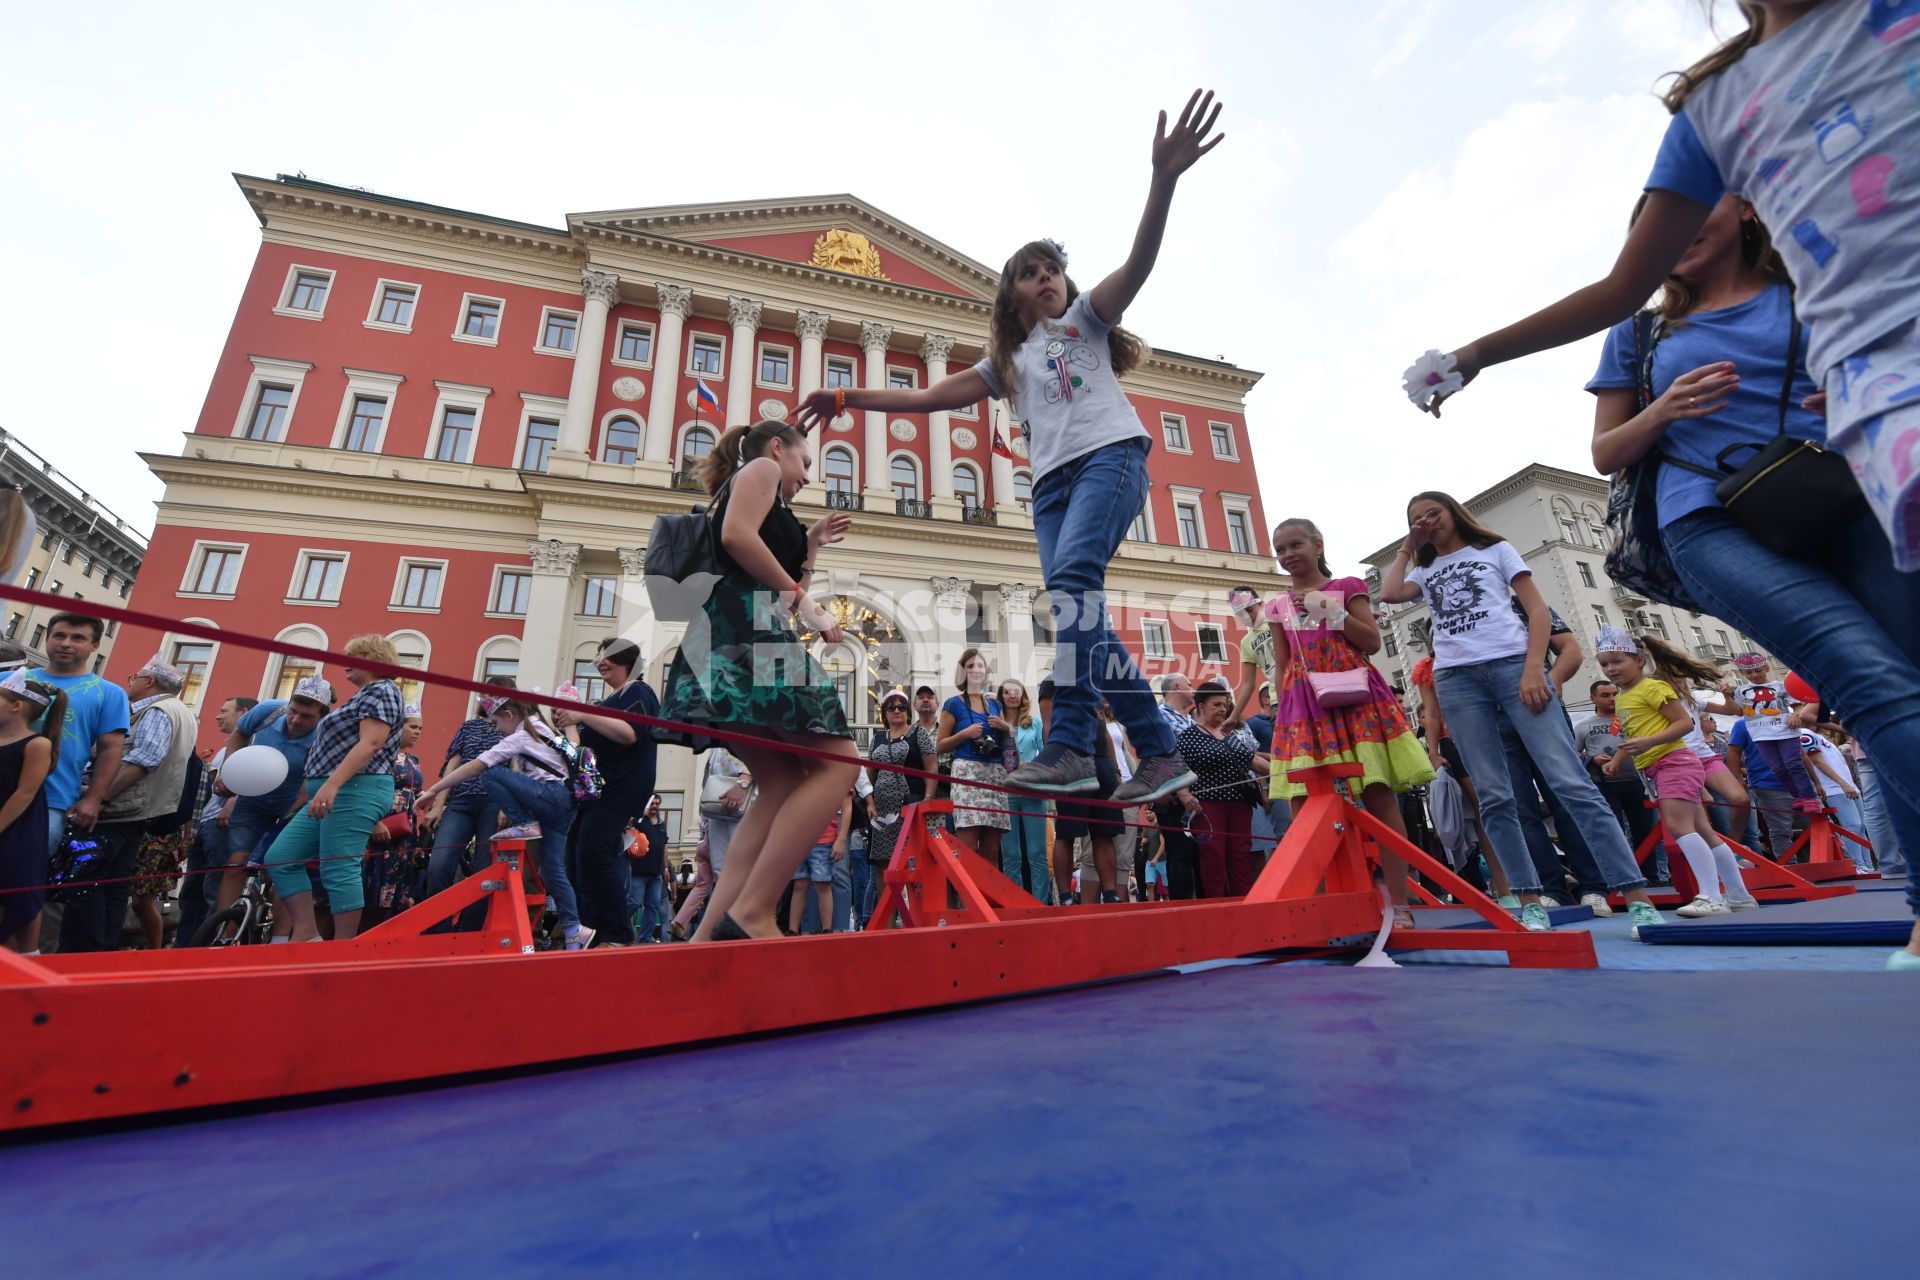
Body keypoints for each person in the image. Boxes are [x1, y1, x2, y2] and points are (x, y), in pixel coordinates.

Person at [1413, 4, 1920, 965]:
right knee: (1873, 681)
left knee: (1902, 679)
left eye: (1704, 210)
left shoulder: (1809, 283)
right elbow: (1608, 449)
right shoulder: (1644, 330)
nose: (1681, 228)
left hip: (1852, 486)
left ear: (1749, 203)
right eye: (1662, 220)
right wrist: (1487, 358)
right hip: (1709, 516)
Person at [796, 91, 1224, 808]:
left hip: (1109, 458)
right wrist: (848, 400)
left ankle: (1071, 747)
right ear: (1013, 294)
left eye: (1053, 267)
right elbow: (927, 398)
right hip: (1052, 487)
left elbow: (1140, 264)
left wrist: (1164, 179)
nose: (1047, 278)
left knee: (1074, 589)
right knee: (1076, 606)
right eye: (1032, 272)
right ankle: (1158, 752)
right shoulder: (1008, 363)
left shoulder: (1085, 322)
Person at [1381, 493, 1666, 936]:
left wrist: (1537, 668)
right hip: (1457, 679)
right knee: (1494, 796)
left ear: (1453, 513)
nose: (1425, 521)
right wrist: (1407, 546)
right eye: (1415, 518)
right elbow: (1389, 593)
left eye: (1432, 513)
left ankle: (1634, 893)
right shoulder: (1423, 569)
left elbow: (1536, 610)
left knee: (1569, 781)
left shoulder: (1495, 550)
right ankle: (1530, 899)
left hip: (1513, 665)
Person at [660, 418, 860, 942]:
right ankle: (754, 909)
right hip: (746, 630)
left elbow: (778, 573)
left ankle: (707, 936)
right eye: (807, 462)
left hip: (734, 633)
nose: (808, 476)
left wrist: (811, 546)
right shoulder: (763, 467)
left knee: (779, 783)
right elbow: (737, 537)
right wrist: (805, 600)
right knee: (842, 761)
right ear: (778, 447)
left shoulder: (772, 494)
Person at [1265, 517, 1434, 924]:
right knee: (1305, 806)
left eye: (1295, 545)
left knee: (1378, 794)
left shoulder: (1348, 586)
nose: (1288, 555)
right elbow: (1283, 663)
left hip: (1355, 696)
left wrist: (1330, 611)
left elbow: (1373, 642)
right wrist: (1280, 710)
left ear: (1318, 544)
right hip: (1304, 706)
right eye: (1281, 549)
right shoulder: (1278, 606)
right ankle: (1321, 908)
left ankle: (1401, 903)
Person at [1595, 626, 1759, 917]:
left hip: (1674, 762)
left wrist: (1649, 742)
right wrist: (1618, 759)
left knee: (1679, 827)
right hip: (1661, 766)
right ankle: (1738, 895)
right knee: (1705, 832)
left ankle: (1711, 896)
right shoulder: (1623, 697)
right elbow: (1634, 734)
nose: (1610, 668)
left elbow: (1684, 723)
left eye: (1617, 661)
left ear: (1639, 661)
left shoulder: (1654, 688)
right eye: (1604, 664)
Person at [264, 635, 407, 943]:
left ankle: (343, 948)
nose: (344, 662)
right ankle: (307, 934)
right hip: (337, 790)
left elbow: (371, 742)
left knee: (339, 868)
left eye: (352, 656)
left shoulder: (382, 690)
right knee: (281, 857)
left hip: (354, 788)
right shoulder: (366, 694)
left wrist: (331, 785)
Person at [414, 694, 586, 948]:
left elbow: (475, 765)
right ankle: (574, 931)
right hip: (566, 804)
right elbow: (573, 743)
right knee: (553, 870)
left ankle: (522, 823)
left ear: (509, 716)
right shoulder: (542, 727)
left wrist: (433, 790)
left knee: (491, 772)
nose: (496, 729)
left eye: (496, 723)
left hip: (551, 796)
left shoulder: (521, 735)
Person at [59, 656, 198, 953]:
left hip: (118, 811)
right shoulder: (180, 711)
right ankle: (101, 952)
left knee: (88, 883)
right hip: (136, 812)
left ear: (149, 682)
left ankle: (85, 953)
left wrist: (99, 796)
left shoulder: (158, 710)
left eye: (135, 675)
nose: (130, 681)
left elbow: (143, 760)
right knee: (113, 886)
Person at [25, 613, 129, 952]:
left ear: (95, 646)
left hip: (53, 803)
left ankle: (29, 965)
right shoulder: (17, 680)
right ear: (47, 638)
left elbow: (112, 749)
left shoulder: (108, 693)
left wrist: (94, 798)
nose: (66, 643)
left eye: (78, 638)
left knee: (34, 889)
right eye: (59, 635)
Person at [553, 638, 660, 948]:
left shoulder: (638, 692)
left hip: (618, 788)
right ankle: (588, 930)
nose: (599, 661)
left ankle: (617, 933)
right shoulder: (604, 704)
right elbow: (579, 751)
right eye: (598, 656)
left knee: (594, 850)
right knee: (577, 858)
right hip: (592, 791)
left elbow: (629, 734)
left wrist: (582, 713)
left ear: (626, 660)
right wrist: (566, 721)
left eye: (606, 656)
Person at [214, 676, 331, 920]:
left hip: (293, 804)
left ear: (321, 716)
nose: (296, 720)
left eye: (306, 716)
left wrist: (286, 815)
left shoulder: (328, 732)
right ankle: (224, 931)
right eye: (293, 712)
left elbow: (311, 784)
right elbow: (238, 735)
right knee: (236, 862)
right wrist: (228, 773)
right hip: (253, 799)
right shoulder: (269, 710)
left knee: (284, 867)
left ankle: (278, 938)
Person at [420, 675, 511, 925]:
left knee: (484, 870)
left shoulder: (513, 729)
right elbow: (453, 764)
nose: (490, 699)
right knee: (439, 865)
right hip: (459, 801)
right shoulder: (469, 726)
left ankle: (470, 931)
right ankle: (436, 928)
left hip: (493, 803)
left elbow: (515, 768)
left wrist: (507, 805)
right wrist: (439, 804)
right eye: (486, 694)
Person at [1173, 679, 1266, 898]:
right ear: (1201, 707)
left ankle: (1244, 903)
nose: (1223, 709)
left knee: (1241, 855)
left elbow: (1253, 760)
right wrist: (1184, 794)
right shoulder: (1188, 737)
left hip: (1240, 805)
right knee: (1213, 856)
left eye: (1224, 705)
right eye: (1217, 705)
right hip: (1208, 806)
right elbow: (1176, 769)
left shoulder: (1228, 736)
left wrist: (1289, 775)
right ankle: (1216, 906)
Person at [175, 695, 253, 947]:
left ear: (244, 713)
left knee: (214, 892)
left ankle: (209, 948)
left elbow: (250, 781)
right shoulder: (223, 749)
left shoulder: (256, 745)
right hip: (207, 824)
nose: (217, 716)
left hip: (225, 827)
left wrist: (235, 798)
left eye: (223, 710)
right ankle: (183, 949)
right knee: (191, 893)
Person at [1572, 681, 1665, 880]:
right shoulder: (1583, 726)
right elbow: (1573, 755)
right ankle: (1620, 878)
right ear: (1593, 699)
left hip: (1637, 782)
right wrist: (1592, 760)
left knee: (1645, 832)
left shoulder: (1630, 720)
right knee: (1613, 833)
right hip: (1604, 786)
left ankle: (1651, 876)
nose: (1612, 698)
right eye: (1605, 695)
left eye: (1615, 693)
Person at [0, 671, 62, 953]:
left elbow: (24, 793)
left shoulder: (38, 744)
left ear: (17, 706)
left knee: (18, 892)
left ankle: (28, 957)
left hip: (17, 828)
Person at [1720, 653, 1821, 814]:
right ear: (1742, 674)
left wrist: (1796, 715)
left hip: (1785, 732)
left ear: (1766, 668)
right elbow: (1738, 712)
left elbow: (1798, 706)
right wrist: (1727, 696)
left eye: (1758, 671)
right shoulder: (1741, 691)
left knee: (1792, 763)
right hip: (1761, 735)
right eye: (1749, 673)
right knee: (1777, 769)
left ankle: (1809, 796)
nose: (1754, 675)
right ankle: (1798, 795)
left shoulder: (1780, 686)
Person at [937, 649, 1010, 861]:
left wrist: (1006, 728)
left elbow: (1008, 749)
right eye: (970, 666)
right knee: (967, 848)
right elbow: (940, 745)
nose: (976, 670)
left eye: (980, 665)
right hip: (967, 774)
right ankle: (966, 895)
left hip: (995, 774)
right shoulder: (954, 703)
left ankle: (988, 895)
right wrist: (964, 734)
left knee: (992, 850)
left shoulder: (996, 705)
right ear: (962, 672)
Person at [672, 746, 749, 942]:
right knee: (721, 869)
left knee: (742, 866)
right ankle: (722, 926)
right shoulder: (717, 740)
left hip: (742, 802)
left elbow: (758, 745)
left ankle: (741, 923)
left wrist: (744, 783)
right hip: (717, 806)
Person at [363, 705, 426, 926]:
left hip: (404, 833)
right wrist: (373, 821)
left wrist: (425, 797)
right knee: (371, 888)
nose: (418, 732)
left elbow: (413, 791)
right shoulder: (379, 753)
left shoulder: (413, 760)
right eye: (413, 726)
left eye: (420, 728)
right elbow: (365, 789)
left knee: (395, 890)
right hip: (380, 829)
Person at [997, 678, 1051, 901]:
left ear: (1022, 696)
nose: (1012, 695)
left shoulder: (1035, 722)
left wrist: (1031, 765)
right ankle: (1015, 904)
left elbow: (1045, 753)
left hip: (1031, 789)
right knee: (1011, 854)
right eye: (1007, 692)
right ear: (1001, 696)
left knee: (1037, 852)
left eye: (1016, 692)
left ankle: (1040, 902)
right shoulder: (995, 723)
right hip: (1005, 790)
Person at [1152, 674, 1201, 899]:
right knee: (1179, 853)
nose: (1194, 689)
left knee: (1197, 854)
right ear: (1177, 687)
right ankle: (1181, 908)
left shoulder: (1190, 720)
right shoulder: (1159, 716)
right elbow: (1161, 755)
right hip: (1173, 796)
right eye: (1190, 685)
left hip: (1197, 794)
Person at [1800, 721, 1872, 873]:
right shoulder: (1804, 734)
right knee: (1852, 825)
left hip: (1848, 786)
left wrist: (1849, 783)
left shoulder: (1820, 737)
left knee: (1861, 826)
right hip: (1834, 788)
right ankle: (1856, 865)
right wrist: (1842, 783)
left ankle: (1867, 864)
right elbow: (1817, 761)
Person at [1725, 716, 1797, 863]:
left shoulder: (1786, 718)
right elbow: (1733, 752)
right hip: (1767, 782)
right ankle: (1789, 866)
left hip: (1799, 782)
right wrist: (1737, 778)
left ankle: (1822, 862)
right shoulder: (1742, 724)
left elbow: (1800, 752)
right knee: (1781, 830)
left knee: (1817, 824)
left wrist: (1815, 782)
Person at [788, 793, 849, 936]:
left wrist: (841, 839)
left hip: (824, 839)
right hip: (799, 839)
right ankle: (793, 931)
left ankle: (826, 930)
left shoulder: (837, 774)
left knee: (823, 884)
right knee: (799, 884)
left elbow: (847, 806)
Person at [1229, 586, 1277, 722]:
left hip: (1299, 686)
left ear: (1262, 604)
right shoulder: (1246, 643)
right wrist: (1234, 716)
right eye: (1240, 614)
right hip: (1276, 698)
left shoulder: (1277, 621)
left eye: (1250, 610)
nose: (1247, 616)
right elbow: (1248, 684)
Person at [630, 795, 671, 943]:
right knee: (634, 902)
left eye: (657, 803)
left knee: (652, 906)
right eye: (652, 803)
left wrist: (666, 868)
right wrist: (642, 814)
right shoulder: (640, 820)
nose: (655, 806)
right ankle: (614, 926)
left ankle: (645, 939)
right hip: (639, 871)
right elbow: (629, 826)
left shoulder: (661, 824)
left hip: (656, 873)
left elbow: (664, 847)